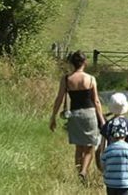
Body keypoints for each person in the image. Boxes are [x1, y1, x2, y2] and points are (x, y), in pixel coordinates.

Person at [50, 50, 106, 182]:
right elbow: (96, 101)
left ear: (72, 63)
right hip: (89, 114)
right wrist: (102, 119)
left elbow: (59, 98)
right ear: (85, 62)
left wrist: (53, 116)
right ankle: (84, 171)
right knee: (90, 146)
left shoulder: (66, 79)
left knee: (78, 147)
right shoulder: (91, 79)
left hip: (74, 114)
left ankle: (79, 175)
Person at [101, 119, 128, 195]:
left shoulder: (107, 150)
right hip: (124, 183)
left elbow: (103, 165)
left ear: (111, 136)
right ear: (125, 135)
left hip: (110, 184)